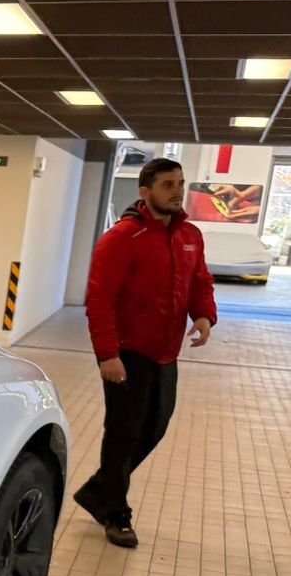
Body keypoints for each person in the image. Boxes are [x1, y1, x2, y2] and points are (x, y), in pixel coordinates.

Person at [74, 157, 216, 548]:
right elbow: (100, 299)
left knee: (155, 426)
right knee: (122, 433)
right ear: (145, 192)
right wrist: (107, 355)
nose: (177, 191)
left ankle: (99, 491)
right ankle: (116, 512)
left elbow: (199, 280)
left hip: (165, 353)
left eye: (180, 183)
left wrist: (204, 315)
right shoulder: (123, 237)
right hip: (127, 351)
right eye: (167, 184)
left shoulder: (190, 235)